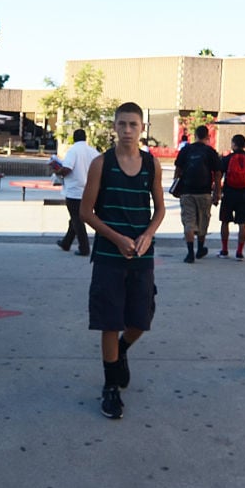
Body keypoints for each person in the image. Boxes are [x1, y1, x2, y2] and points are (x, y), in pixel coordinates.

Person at [80, 102, 165, 419]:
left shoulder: (151, 164)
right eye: (122, 124)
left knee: (141, 320)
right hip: (108, 256)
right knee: (110, 321)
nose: (127, 130)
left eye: (133, 124)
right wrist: (116, 238)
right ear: (114, 126)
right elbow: (86, 212)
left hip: (142, 256)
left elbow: (160, 209)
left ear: (142, 128)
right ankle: (110, 386)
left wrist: (148, 235)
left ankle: (122, 350)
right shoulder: (101, 164)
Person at [174, 125, 222, 262]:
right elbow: (217, 174)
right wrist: (217, 193)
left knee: (188, 222)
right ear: (208, 136)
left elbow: (178, 170)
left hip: (187, 192)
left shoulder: (186, 150)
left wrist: (176, 187)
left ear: (194, 135)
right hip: (204, 193)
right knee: (203, 221)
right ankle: (200, 248)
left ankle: (190, 253)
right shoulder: (210, 151)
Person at [55, 128, 100, 256]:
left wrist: (57, 171)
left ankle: (84, 247)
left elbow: (67, 168)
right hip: (90, 190)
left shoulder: (73, 150)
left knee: (77, 219)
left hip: (74, 190)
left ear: (74, 138)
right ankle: (66, 242)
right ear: (85, 138)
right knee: (76, 218)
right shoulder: (93, 151)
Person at [218, 134, 245, 260]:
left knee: (225, 222)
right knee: (242, 224)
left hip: (229, 193)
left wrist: (217, 191)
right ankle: (239, 252)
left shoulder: (227, 158)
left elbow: (219, 175)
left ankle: (224, 250)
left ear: (234, 144)